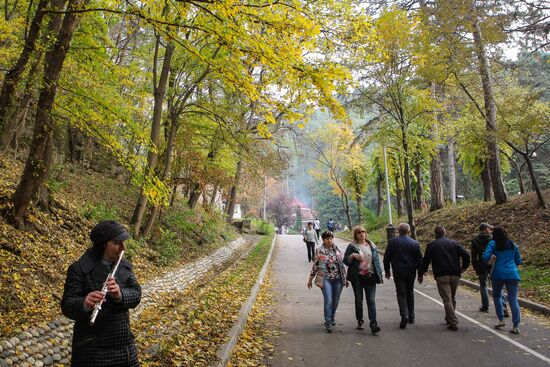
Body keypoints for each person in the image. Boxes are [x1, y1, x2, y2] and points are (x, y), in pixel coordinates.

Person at [61, 220, 142, 366]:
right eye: (117, 243)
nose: (123, 247)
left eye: (123, 242)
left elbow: (136, 293)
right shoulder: (79, 269)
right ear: (103, 244)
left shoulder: (123, 265)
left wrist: (120, 295)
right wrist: (84, 303)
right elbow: (67, 305)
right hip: (91, 351)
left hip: (123, 349)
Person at [422, 226, 470, 331]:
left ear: (435, 233)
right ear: (445, 232)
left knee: (447, 299)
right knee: (452, 297)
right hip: (455, 274)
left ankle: (453, 321)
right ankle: (449, 318)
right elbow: (466, 254)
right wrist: (464, 267)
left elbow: (426, 260)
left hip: (441, 275)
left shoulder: (431, 245)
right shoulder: (454, 243)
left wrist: (423, 271)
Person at [482, 226, 522, 334]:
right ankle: (516, 325)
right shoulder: (513, 245)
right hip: (512, 273)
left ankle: (501, 319)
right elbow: (518, 260)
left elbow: (485, 256)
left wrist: (492, 259)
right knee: (513, 299)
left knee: (497, 295)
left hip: (498, 274)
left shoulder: (493, 244)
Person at [344, 226, 383, 334]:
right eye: (359, 232)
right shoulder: (352, 246)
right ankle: (360, 320)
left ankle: (373, 323)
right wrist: (352, 255)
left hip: (370, 276)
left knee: (371, 300)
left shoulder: (371, 245)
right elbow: (345, 261)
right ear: (356, 235)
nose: (361, 234)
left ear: (366, 233)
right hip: (357, 277)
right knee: (359, 299)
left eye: (363, 232)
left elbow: (376, 262)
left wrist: (379, 274)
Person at [383, 222, 423, 329]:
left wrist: (387, 270)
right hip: (411, 272)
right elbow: (419, 260)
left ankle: (404, 315)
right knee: (410, 292)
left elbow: (386, 258)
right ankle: (411, 315)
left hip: (398, 271)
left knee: (401, 293)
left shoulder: (392, 242)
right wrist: (420, 274)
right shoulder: (414, 243)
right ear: (409, 232)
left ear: (398, 231)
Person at [307, 231, 347, 333]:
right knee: (328, 300)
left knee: (335, 301)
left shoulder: (337, 250)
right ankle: (328, 321)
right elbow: (315, 266)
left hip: (338, 279)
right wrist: (310, 279)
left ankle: (332, 316)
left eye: (331, 238)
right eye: (327, 239)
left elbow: (342, 266)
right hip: (325, 279)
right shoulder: (319, 251)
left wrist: (345, 279)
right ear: (323, 240)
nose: (329, 240)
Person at [471, 223, 508, 315]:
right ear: (486, 229)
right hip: (493, 263)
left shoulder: (475, 240)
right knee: (498, 286)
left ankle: (485, 306)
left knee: (483, 285)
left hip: (481, 264)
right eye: (489, 228)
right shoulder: (493, 240)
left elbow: (473, 256)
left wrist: (475, 266)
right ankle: (503, 307)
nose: (490, 230)